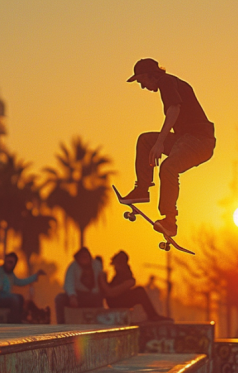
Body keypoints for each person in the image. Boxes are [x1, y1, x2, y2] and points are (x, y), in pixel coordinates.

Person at [120, 58, 216, 237]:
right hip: (184, 139)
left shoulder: (166, 82)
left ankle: (170, 221)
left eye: (142, 82)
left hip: (199, 141)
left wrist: (160, 142)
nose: (142, 87)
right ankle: (142, 189)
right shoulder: (171, 83)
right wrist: (159, 142)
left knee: (168, 168)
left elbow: (174, 109)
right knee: (145, 140)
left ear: (151, 75)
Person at [102, 251, 171, 323]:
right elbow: (111, 293)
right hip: (114, 302)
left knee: (140, 291)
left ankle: (152, 315)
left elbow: (125, 286)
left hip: (117, 300)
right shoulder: (118, 276)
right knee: (140, 291)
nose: (115, 268)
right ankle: (153, 315)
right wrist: (103, 280)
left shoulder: (124, 273)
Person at [0, 252, 45, 323]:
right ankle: (14, 322)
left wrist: (35, 276)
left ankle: (20, 318)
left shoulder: (11, 275)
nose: (8, 264)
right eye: (7, 262)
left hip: (4, 297)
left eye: (11, 263)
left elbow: (21, 282)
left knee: (20, 297)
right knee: (14, 299)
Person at [55, 247, 105, 324]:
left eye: (86, 257)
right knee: (59, 298)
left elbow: (100, 283)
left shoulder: (96, 265)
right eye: (82, 257)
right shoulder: (73, 266)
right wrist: (72, 296)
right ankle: (61, 323)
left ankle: (100, 321)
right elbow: (69, 282)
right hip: (78, 296)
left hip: (93, 296)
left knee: (99, 298)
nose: (85, 259)